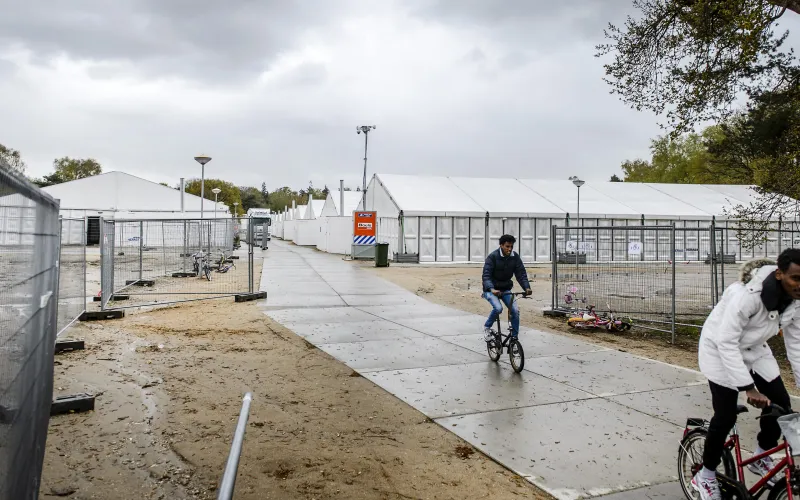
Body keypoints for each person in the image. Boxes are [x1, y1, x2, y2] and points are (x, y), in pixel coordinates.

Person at [692, 248, 800, 500]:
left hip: (754, 349)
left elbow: (796, 346)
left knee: (781, 405)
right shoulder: (747, 296)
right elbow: (726, 341)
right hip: (719, 349)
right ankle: (705, 475)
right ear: (779, 274)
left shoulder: (795, 302)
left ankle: (761, 454)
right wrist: (747, 387)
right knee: (726, 414)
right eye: (796, 278)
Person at [481, 234, 532, 341]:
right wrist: (491, 289)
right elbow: (486, 276)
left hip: (505, 289)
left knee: (515, 311)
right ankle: (487, 327)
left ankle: (514, 338)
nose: (509, 249)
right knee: (498, 308)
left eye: (511, 247)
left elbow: (521, 274)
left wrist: (526, 287)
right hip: (491, 290)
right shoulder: (492, 257)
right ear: (501, 245)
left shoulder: (515, 257)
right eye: (507, 246)